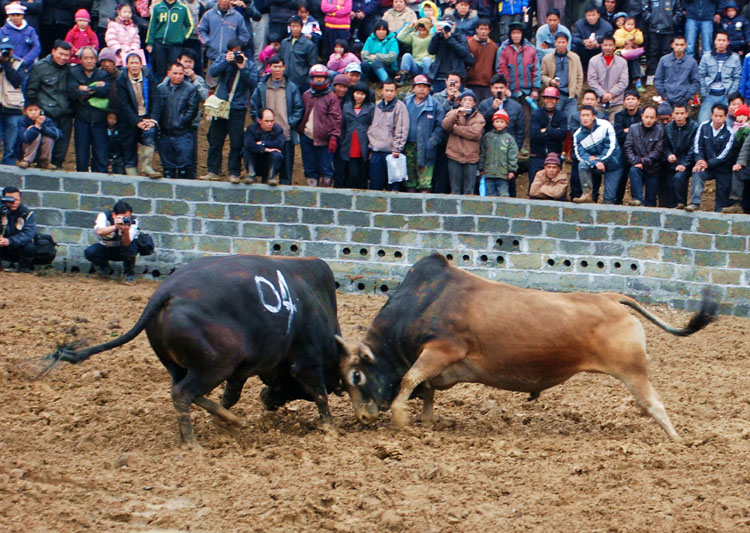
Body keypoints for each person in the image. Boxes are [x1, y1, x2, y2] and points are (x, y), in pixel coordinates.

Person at [202, 38, 259, 183]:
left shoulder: (249, 65)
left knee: (236, 142)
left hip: (237, 108)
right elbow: (212, 72)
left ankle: (234, 172)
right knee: (215, 140)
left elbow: (254, 83)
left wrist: (243, 67)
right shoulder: (223, 59)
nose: (235, 55)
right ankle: (213, 170)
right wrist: (226, 61)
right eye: (233, 52)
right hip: (221, 105)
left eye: (238, 52)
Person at [250, 54, 304, 186]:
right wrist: (261, 123)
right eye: (275, 67)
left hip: (285, 134)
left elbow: (299, 108)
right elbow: (253, 107)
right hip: (266, 134)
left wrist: (290, 123)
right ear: (270, 68)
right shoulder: (261, 87)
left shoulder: (291, 87)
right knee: (266, 166)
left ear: (284, 68)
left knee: (286, 169)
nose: (278, 70)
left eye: (280, 67)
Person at [25, 40, 73, 170]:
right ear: (53, 51)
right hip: (46, 114)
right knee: (44, 148)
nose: (63, 58)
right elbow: (31, 91)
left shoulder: (70, 69)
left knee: (61, 149)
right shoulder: (40, 67)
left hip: (65, 114)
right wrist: (34, 112)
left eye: (66, 55)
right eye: (60, 54)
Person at [152, 61, 198, 179]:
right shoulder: (160, 89)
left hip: (182, 133)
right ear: (168, 73)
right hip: (165, 134)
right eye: (175, 73)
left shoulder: (190, 89)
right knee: (167, 168)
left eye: (181, 74)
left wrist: (181, 121)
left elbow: (192, 109)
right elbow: (156, 108)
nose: (178, 76)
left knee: (184, 168)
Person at [68, 46, 110, 174]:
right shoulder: (74, 73)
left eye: (92, 58)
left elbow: (105, 91)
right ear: (80, 59)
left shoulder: (102, 74)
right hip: (81, 119)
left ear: (96, 59)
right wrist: (94, 89)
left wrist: (86, 89)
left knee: (101, 155)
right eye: (86, 58)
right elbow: (73, 92)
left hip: (99, 120)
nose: (89, 61)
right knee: (81, 156)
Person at [116, 53, 159, 177]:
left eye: (136, 63)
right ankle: (131, 173)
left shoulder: (148, 77)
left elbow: (156, 99)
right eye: (131, 63)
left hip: (146, 116)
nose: (134, 66)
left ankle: (146, 166)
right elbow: (124, 104)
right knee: (129, 145)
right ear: (127, 65)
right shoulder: (122, 79)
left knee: (149, 135)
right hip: (128, 119)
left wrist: (153, 119)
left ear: (141, 64)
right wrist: (136, 121)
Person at [299, 63, 341, 187]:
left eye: (321, 78)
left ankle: (326, 197)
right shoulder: (306, 95)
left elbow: (336, 118)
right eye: (316, 77)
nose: (318, 80)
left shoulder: (331, 97)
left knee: (326, 170)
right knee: (309, 169)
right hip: (307, 137)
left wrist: (334, 136)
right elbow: (301, 113)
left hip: (325, 140)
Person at [687, 103, 734, 212]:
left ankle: (719, 213)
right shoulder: (703, 126)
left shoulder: (729, 133)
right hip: (705, 165)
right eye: (715, 115)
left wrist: (709, 163)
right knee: (697, 172)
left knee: (722, 198)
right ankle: (695, 203)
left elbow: (725, 154)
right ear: (711, 115)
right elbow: (697, 145)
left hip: (722, 168)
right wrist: (700, 160)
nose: (717, 119)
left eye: (721, 116)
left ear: (725, 117)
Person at [573, 104, 623, 204]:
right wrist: (596, 162)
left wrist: (600, 160)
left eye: (587, 115)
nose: (585, 118)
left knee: (609, 198)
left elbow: (611, 147)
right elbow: (580, 154)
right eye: (582, 115)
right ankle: (587, 193)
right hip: (595, 165)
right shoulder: (577, 135)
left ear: (594, 116)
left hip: (613, 164)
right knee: (582, 164)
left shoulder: (605, 125)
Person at [402, 74, 444, 192]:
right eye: (419, 86)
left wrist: (432, 142)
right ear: (413, 88)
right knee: (410, 181)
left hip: (426, 148)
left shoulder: (435, 105)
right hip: (408, 146)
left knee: (425, 183)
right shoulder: (406, 102)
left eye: (425, 87)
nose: (422, 89)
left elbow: (440, 126)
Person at [84, 200, 141, 283]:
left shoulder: (133, 221)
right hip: (106, 248)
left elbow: (127, 243)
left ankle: (128, 273)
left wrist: (126, 231)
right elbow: (99, 231)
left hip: (122, 251)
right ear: (114, 215)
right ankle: (105, 268)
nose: (125, 220)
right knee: (90, 252)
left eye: (127, 218)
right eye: (122, 217)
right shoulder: (104, 216)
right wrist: (115, 227)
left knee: (132, 246)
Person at [367, 78, 409, 191]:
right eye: (387, 90)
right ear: (382, 91)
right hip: (376, 150)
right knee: (375, 185)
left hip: (391, 152)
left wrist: (397, 148)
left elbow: (401, 129)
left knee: (393, 186)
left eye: (391, 90)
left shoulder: (400, 107)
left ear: (396, 92)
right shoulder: (377, 106)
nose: (389, 93)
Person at [198, 0, 250, 88]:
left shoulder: (237, 16)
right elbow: (200, 30)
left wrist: (236, 48)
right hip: (213, 56)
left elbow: (244, 35)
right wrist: (208, 42)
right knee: (211, 86)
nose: (224, 1)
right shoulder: (208, 14)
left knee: (228, 86)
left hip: (231, 60)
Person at [442, 88, 484, 194]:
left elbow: (475, 133)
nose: (467, 102)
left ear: (474, 103)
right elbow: (445, 125)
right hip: (454, 155)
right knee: (455, 189)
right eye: (465, 100)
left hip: (471, 158)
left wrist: (455, 129)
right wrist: (456, 114)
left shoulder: (479, 117)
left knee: (469, 190)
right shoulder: (453, 113)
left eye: (470, 100)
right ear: (460, 101)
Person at [624, 105, 665, 206]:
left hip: (653, 168)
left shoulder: (660, 130)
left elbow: (658, 151)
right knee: (633, 170)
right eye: (646, 117)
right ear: (642, 116)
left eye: (651, 117)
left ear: (656, 118)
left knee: (651, 199)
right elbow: (628, 147)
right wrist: (635, 160)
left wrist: (643, 161)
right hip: (637, 165)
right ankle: (637, 199)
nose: (648, 120)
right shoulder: (634, 128)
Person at [697, 30, 742, 124]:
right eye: (719, 40)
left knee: (728, 123)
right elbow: (701, 75)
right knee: (703, 122)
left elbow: (737, 77)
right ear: (715, 41)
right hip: (709, 94)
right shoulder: (706, 56)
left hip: (726, 95)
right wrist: (704, 92)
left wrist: (731, 94)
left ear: (728, 42)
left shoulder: (735, 58)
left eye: (724, 40)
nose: (721, 43)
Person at [528, 86, 568, 191]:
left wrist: (546, 130)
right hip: (537, 155)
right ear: (544, 99)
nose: (550, 101)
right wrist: (554, 131)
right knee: (535, 186)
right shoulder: (536, 115)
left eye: (553, 98)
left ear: (557, 100)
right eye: (547, 98)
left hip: (555, 156)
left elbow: (563, 135)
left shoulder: (562, 116)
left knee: (555, 187)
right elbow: (534, 134)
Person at [177, 48, 208, 180]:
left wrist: (194, 79)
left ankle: (192, 176)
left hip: (193, 122)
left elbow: (204, 96)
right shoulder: (174, 76)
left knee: (192, 151)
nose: (188, 64)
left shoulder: (198, 79)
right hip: (176, 121)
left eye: (191, 62)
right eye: (185, 61)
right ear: (179, 61)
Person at [540, 32, 583, 127]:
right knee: (554, 122)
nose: (561, 45)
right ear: (555, 43)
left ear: (567, 43)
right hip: (555, 95)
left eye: (563, 42)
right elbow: (543, 75)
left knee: (571, 123)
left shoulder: (575, 58)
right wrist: (550, 81)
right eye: (559, 42)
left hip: (571, 95)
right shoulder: (547, 59)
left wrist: (577, 92)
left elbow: (580, 76)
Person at [145, 0, 195, 81]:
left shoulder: (183, 8)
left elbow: (191, 25)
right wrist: (149, 42)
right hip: (159, 43)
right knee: (160, 69)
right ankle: (161, 89)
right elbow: (152, 26)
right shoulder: (158, 7)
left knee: (174, 68)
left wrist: (182, 37)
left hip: (175, 45)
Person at [339, 81, 374, 188]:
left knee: (362, 175)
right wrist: (342, 140)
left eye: (362, 94)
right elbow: (343, 126)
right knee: (351, 174)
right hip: (349, 144)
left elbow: (373, 126)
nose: (359, 96)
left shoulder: (371, 108)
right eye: (357, 93)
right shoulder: (346, 107)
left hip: (364, 144)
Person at [664, 101, 699, 209]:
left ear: (686, 114)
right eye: (677, 113)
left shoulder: (694, 127)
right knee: (668, 181)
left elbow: (694, 148)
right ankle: (670, 205)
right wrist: (668, 154)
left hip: (688, 162)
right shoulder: (668, 128)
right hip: (672, 162)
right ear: (673, 115)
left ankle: (681, 202)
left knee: (679, 177)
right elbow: (665, 146)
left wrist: (685, 163)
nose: (679, 116)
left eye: (682, 113)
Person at [427, 15, 474, 92]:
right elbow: (431, 51)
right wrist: (436, 35)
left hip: (455, 76)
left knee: (455, 99)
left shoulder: (460, 36)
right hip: (439, 75)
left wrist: (450, 39)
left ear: (455, 25)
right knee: (439, 100)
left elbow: (464, 53)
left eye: (450, 25)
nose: (448, 27)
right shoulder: (439, 36)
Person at [496, 22, 540, 103]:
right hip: (511, 92)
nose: (516, 36)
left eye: (518, 33)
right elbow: (501, 70)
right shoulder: (503, 49)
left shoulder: (531, 49)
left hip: (528, 92)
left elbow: (536, 70)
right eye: (513, 33)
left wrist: (535, 89)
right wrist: (505, 88)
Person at [587, 34, 629, 120]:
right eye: (605, 45)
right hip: (598, 101)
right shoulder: (593, 61)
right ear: (601, 46)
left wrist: (611, 94)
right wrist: (602, 94)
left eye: (610, 45)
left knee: (615, 128)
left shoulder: (622, 62)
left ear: (614, 46)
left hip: (616, 102)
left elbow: (623, 82)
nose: (608, 47)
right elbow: (591, 80)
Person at [643, 0, 683, 86]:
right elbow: (645, 9)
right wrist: (651, 19)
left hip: (668, 30)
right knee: (653, 51)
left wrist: (671, 22)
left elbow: (679, 12)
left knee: (667, 52)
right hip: (653, 29)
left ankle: (666, 75)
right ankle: (651, 74)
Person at [654, 35, 701, 107]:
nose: (679, 47)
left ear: (685, 46)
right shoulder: (664, 60)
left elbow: (695, 81)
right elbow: (658, 79)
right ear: (672, 45)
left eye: (681, 45)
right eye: (677, 44)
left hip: (683, 100)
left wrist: (687, 96)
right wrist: (664, 95)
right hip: (667, 99)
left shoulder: (692, 62)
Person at [479, 109, 517, 197]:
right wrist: (481, 168)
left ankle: (503, 211)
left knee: (503, 194)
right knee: (490, 194)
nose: (499, 124)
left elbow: (512, 155)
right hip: (489, 172)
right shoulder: (487, 137)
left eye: (502, 122)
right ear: (493, 123)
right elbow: (482, 153)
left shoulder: (509, 139)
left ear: (506, 124)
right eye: (497, 121)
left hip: (503, 173)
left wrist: (512, 170)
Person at [13, 100, 62, 169]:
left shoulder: (47, 121)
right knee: (36, 135)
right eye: (30, 110)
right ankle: (27, 161)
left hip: (40, 150)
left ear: (40, 111)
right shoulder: (22, 121)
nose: (33, 112)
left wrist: (42, 128)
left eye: (36, 110)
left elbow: (58, 134)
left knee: (48, 138)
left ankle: (44, 161)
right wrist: (35, 127)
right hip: (25, 151)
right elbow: (25, 138)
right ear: (25, 112)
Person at [243, 107, 286, 185]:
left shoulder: (278, 129)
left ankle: (271, 177)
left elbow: (280, 143)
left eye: (272, 121)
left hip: (269, 162)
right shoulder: (251, 129)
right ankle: (251, 175)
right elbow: (248, 144)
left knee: (277, 154)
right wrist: (265, 149)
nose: (270, 124)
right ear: (259, 121)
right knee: (246, 151)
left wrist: (263, 143)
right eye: (266, 121)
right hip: (255, 160)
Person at [0, 39, 26, 166]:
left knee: (11, 142)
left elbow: (17, 81)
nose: (4, 53)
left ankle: (8, 166)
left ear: (12, 51)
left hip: (13, 107)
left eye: (7, 50)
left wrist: (7, 65)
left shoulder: (18, 64)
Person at [0, 186, 36, 272]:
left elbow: (29, 233)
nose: (14, 202)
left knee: (29, 247)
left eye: (17, 199)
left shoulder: (26, 213)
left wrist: (9, 241)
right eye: (10, 199)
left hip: (17, 246)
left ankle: (24, 268)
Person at [279, 15, 318, 92]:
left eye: (297, 26)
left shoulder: (309, 44)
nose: (295, 29)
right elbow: (281, 59)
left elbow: (312, 65)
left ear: (301, 27)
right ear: (290, 27)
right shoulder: (284, 42)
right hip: (285, 80)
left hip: (302, 83)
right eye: (293, 26)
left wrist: (307, 80)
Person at [571, 4, 613, 74]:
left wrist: (598, 45)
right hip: (583, 50)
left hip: (599, 51)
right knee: (573, 46)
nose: (591, 18)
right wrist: (583, 42)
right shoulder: (579, 24)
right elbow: (573, 38)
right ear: (585, 15)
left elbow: (611, 42)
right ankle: (577, 71)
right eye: (589, 15)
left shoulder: (607, 26)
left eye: (593, 15)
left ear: (598, 15)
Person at [0, 3, 40, 72]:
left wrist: (26, 60)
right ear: (8, 16)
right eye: (12, 15)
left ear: (23, 16)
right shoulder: (3, 31)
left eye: (18, 15)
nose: (15, 18)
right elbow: (2, 48)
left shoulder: (30, 30)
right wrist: (15, 59)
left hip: (28, 66)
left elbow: (37, 47)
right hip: (9, 65)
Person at [464, 18, 496, 103]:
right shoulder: (469, 43)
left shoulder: (494, 46)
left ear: (489, 31)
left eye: (486, 29)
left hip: (487, 84)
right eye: (481, 29)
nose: (483, 31)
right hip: (471, 83)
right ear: (476, 30)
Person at [105, 3, 146, 67]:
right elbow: (111, 39)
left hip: (130, 55)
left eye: (129, 12)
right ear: (119, 12)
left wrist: (133, 49)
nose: (127, 14)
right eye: (125, 12)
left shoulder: (133, 27)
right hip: (118, 56)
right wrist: (119, 50)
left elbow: (136, 40)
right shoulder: (113, 24)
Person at [395, 18, 434, 82]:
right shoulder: (413, 36)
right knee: (406, 56)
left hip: (428, 65)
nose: (421, 32)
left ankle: (429, 80)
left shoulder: (432, 37)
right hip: (416, 65)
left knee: (426, 59)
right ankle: (403, 78)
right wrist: (410, 26)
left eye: (424, 30)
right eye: (419, 30)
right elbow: (400, 37)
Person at [614, 16, 645, 91]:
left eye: (632, 24)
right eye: (628, 24)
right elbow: (615, 41)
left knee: (634, 61)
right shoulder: (619, 31)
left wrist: (634, 40)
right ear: (624, 24)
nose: (630, 26)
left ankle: (638, 81)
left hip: (632, 52)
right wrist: (625, 41)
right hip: (621, 51)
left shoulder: (636, 31)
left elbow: (640, 40)